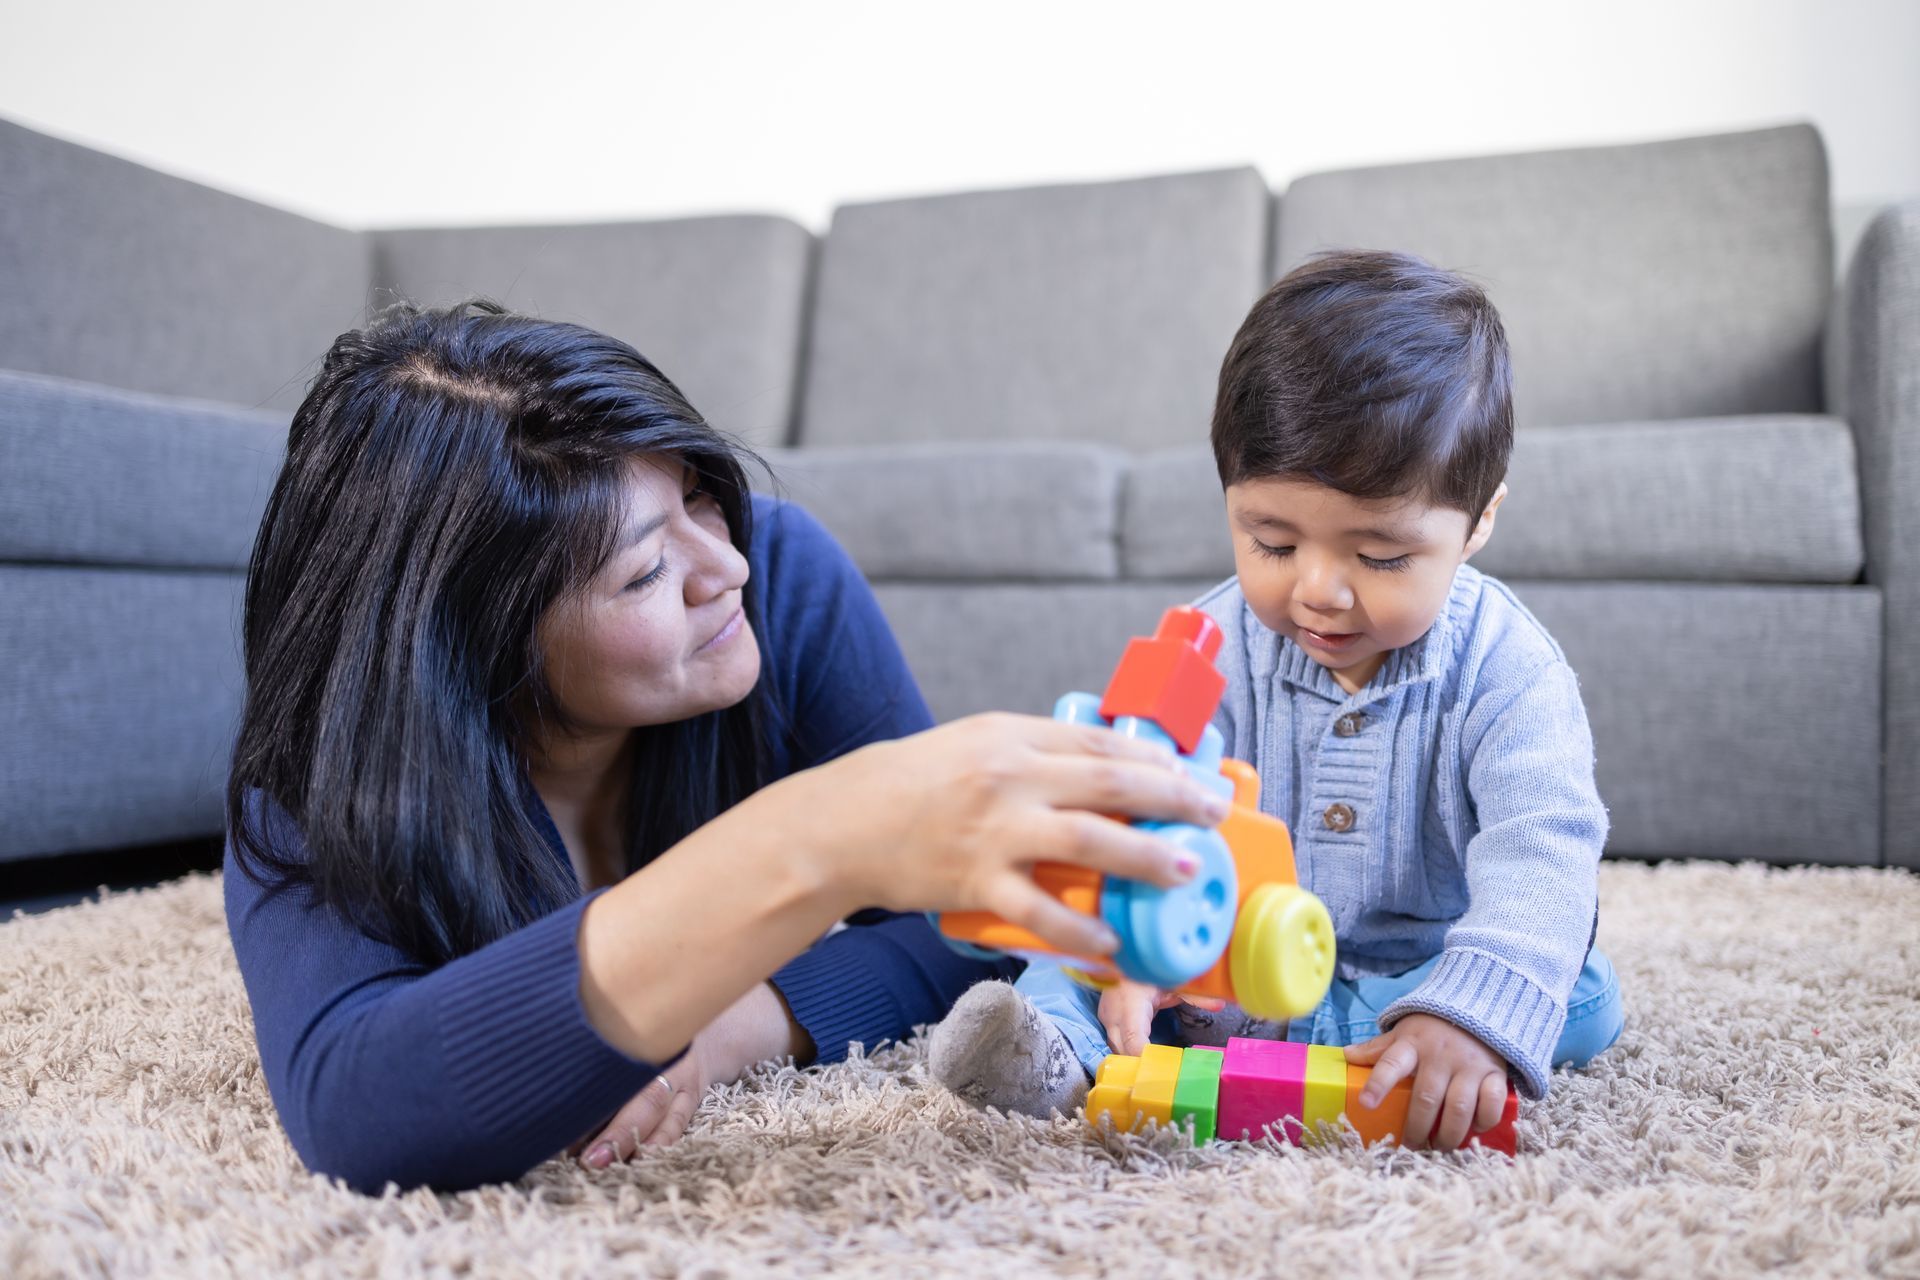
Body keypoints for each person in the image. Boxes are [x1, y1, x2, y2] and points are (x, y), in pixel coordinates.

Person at [223, 300, 1232, 1194]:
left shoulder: (784, 576)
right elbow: (354, 1102)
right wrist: (812, 836)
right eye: (645, 569)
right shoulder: (327, 756)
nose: (728, 564)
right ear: (470, 642)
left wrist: (723, 1020)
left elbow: (954, 933)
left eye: (700, 495)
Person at [929, 250, 1626, 1151]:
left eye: (1380, 558)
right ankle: (1059, 1052)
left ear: (1478, 521)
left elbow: (1543, 847)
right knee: (1063, 948)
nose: (1321, 592)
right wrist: (1136, 952)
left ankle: (1407, 1036)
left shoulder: (1511, 670)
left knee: (1574, 992)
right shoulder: (1204, 647)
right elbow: (1137, 802)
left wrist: (1468, 1011)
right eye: (1271, 541)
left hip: (1413, 966)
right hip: (1224, 956)